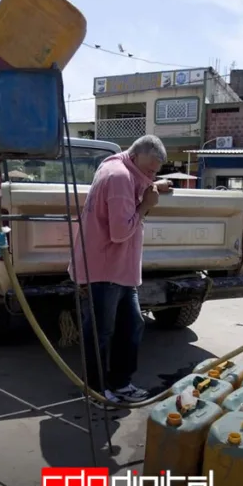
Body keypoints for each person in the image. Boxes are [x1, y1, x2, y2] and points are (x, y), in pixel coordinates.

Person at [70, 135, 173, 407]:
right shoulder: (119, 178)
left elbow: (137, 184)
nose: (150, 175)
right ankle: (95, 390)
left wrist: (153, 184)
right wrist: (146, 206)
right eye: (149, 169)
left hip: (117, 270)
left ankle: (120, 383)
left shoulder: (119, 168)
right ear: (136, 156)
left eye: (155, 172)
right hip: (106, 270)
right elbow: (121, 232)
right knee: (101, 333)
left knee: (131, 325)